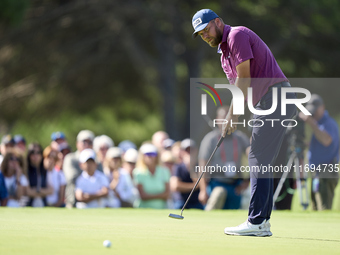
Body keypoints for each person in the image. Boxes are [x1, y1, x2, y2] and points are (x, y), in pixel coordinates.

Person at [192, 9, 297, 236]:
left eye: (206, 29)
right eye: (200, 34)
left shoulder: (236, 35)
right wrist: (236, 116)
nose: (205, 36)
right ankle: (262, 222)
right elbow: (243, 89)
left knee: (257, 157)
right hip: (269, 102)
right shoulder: (223, 54)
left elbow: (244, 77)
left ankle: (257, 221)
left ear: (218, 22)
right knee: (262, 159)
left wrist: (233, 116)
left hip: (276, 98)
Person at [198, 106, 250, 211]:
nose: (225, 122)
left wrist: (247, 181)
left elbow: (253, 157)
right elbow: (203, 165)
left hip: (235, 185)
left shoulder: (240, 138)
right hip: (216, 183)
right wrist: (203, 190)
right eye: (222, 119)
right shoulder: (210, 139)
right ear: (217, 120)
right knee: (218, 194)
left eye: (228, 118)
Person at [299, 94, 339, 210]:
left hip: (326, 171)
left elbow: (326, 140)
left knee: (324, 208)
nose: (313, 114)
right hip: (317, 171)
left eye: (314, 111)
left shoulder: (328, 122)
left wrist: (311, 122)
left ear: (322, 107)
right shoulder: (319, 123)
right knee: (315, 207)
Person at [63, 130, 102, 207]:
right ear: (77, 144)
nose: (87, 145)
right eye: (84, 142)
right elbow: (72, 177)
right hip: (74, 200)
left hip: (95, 201)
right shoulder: (71, 158)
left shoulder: (97, 161)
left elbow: (101, 178)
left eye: (90, 142)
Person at [133, 143, 170, 209]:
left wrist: (150, 196)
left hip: (161, 208)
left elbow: (167, 194)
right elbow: (142, 196)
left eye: (153, 154)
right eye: (147, 154)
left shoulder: (164, 171)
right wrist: (160, 196)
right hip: (143, 209)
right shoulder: (138, 172)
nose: (150, 157)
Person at [170, 139, 204, 210]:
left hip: (197, 202)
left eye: (191, 150)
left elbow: (201, 184)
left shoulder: (200, 166)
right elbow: (175, 186)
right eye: (186, 150)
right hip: (181, 202)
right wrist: (194, 186)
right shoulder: (178, 167)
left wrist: (191, 168)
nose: (189, 152)